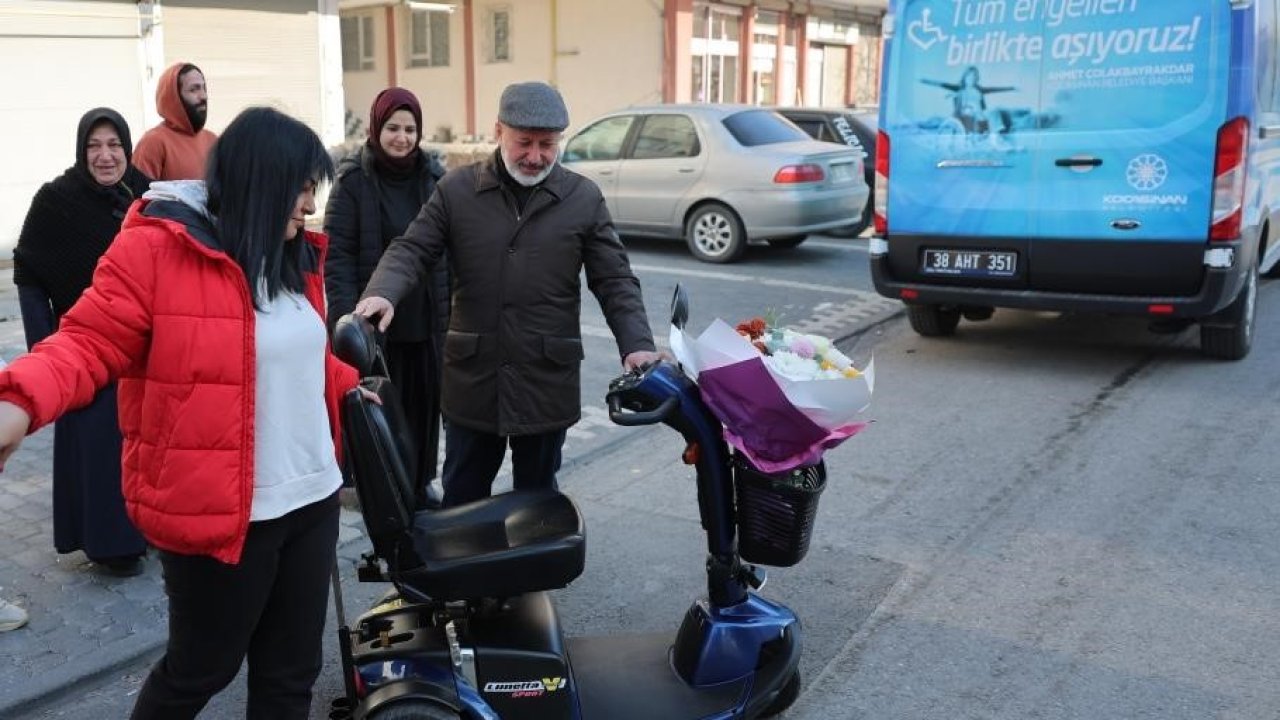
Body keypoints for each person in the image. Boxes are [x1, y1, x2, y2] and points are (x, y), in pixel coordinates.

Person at [0, 106, 364, 719]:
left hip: (312, 499)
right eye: (300, 188)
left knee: (291, 675)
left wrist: (348, 384)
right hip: (220, 514)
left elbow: (291, 355)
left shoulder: (290, 257)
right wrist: (17, 401)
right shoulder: (155, 251)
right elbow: (86, 341)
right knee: (201, 669)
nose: (309, 204)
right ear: (258, 182)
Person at [354, 81, 662, 507]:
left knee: (537, 502)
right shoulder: (457, 191)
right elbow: (413, 248)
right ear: (498, 130)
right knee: (463, 497)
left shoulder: (582, 197)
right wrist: (383, 292)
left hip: (545, 378)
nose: (535, 156)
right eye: (524, 143)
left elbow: (614, 279)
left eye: (547, 145)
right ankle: (463, 573)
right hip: (473, 379)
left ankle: (531, 573)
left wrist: (638, 345)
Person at [13, 107, 151, 577]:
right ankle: (110, 545)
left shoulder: (146, 195)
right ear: (81, 150)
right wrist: (43, 347)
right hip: (85, 349)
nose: (105, 156)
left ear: (127, 149)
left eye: (114, 145)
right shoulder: (56, 200)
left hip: (143, 349)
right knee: (97, 450)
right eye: (94, 146)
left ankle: (148, 532)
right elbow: (29, 271)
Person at [324, 87, 449, 507]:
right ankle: (382, 488)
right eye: (393, 127)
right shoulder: (353, 180)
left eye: (410, 129)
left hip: (424, 319)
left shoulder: (434, 179)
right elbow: (338, 257)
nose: (402, 137)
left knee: (423, 408)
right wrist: (346, 324)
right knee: (380, 410)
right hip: (372, 323)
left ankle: (419, 481)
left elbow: (448, 253)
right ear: (377, 128)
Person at [132, 62, 217, 180]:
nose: (203, 96)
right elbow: (140, 194)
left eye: (204, 88)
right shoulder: (153, 142)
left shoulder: (212, 140)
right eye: (194, 90)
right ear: (174, 97)